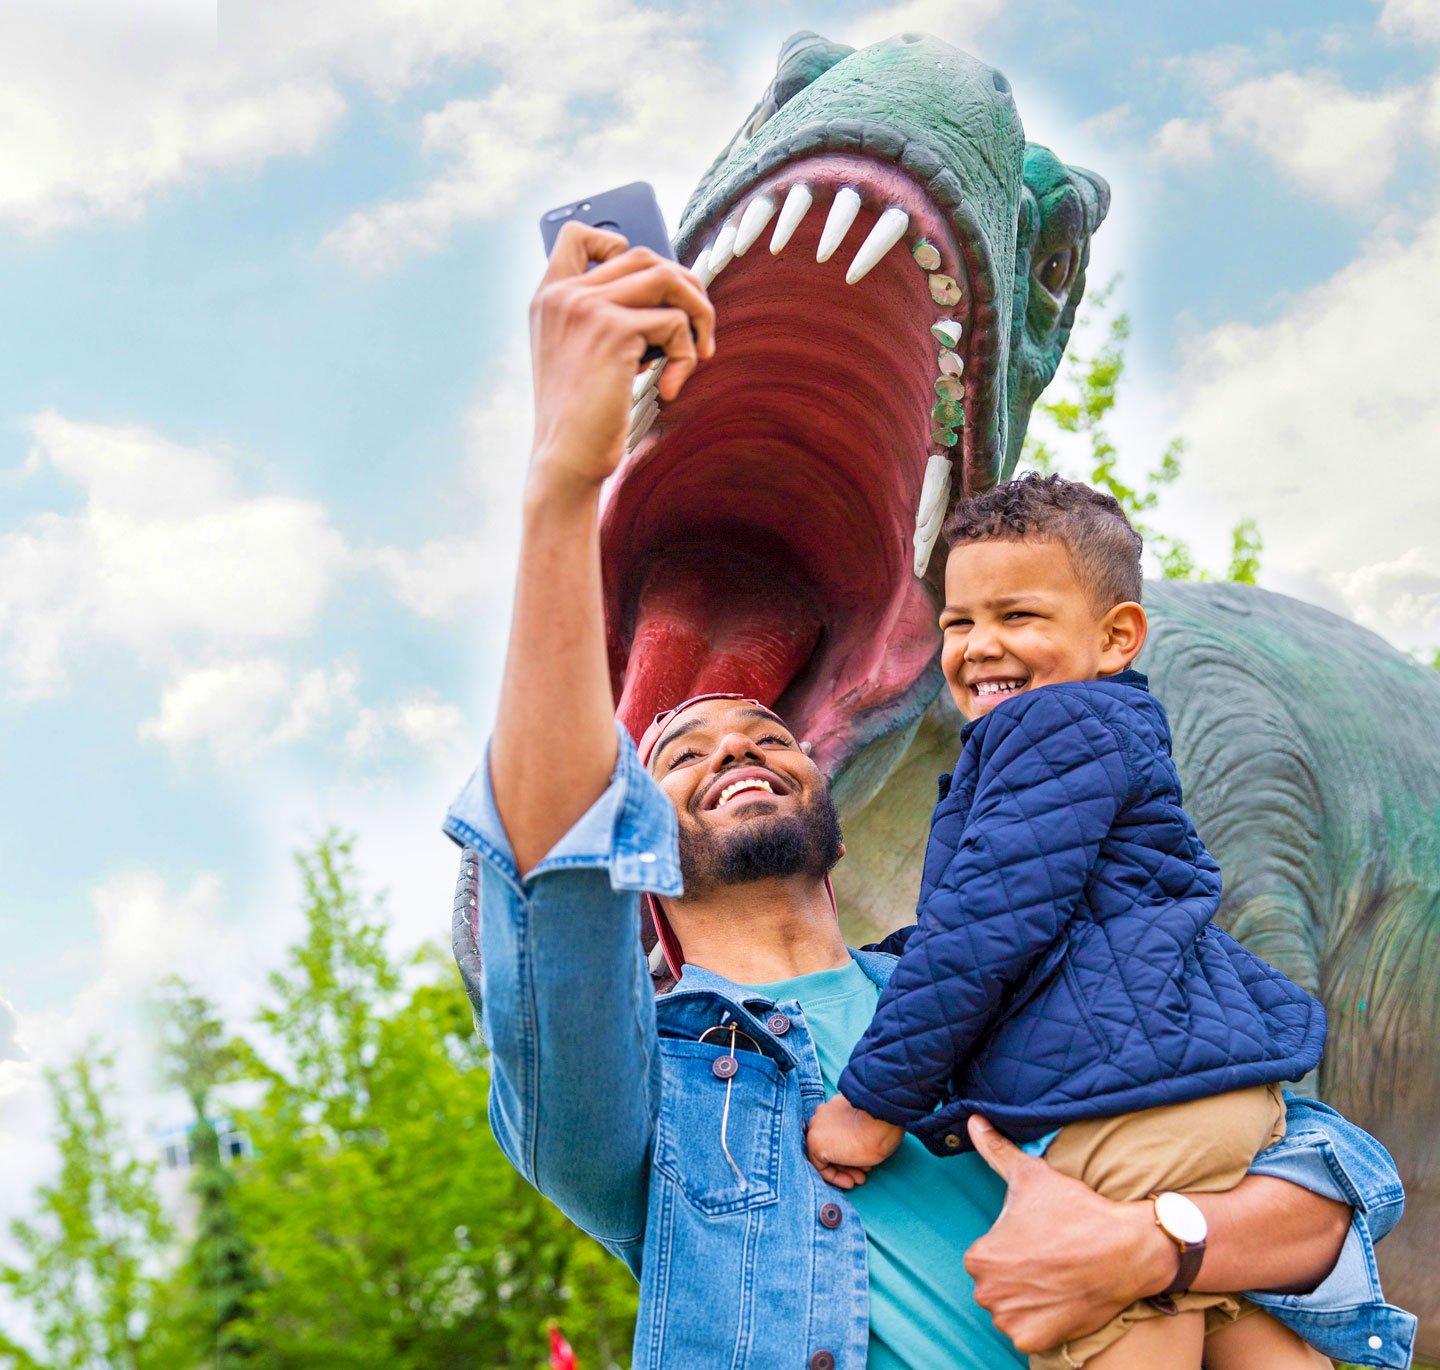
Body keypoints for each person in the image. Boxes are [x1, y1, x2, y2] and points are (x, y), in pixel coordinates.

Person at [441, 218, 1417, 1368]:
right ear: (640, 830)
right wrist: (564, 478)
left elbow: (1334, 1172)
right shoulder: (637, 1094)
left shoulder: (992, 977)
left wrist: (1151, 1245)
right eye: (679, 751)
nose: (736, 743)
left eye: (763, 729)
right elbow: (550, 861)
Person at [803, 474, 1334, 1369]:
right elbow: (1029, 911)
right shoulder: (1096, 733)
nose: (980, 647)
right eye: (959, 623)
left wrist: (870, 1103)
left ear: (1117, 636)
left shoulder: (1051, 726)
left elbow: (985, 925)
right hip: (1200, 1096)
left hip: (1132, 1113)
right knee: (1244, 1337)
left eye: (1019, 616)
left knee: (1117, 1332)